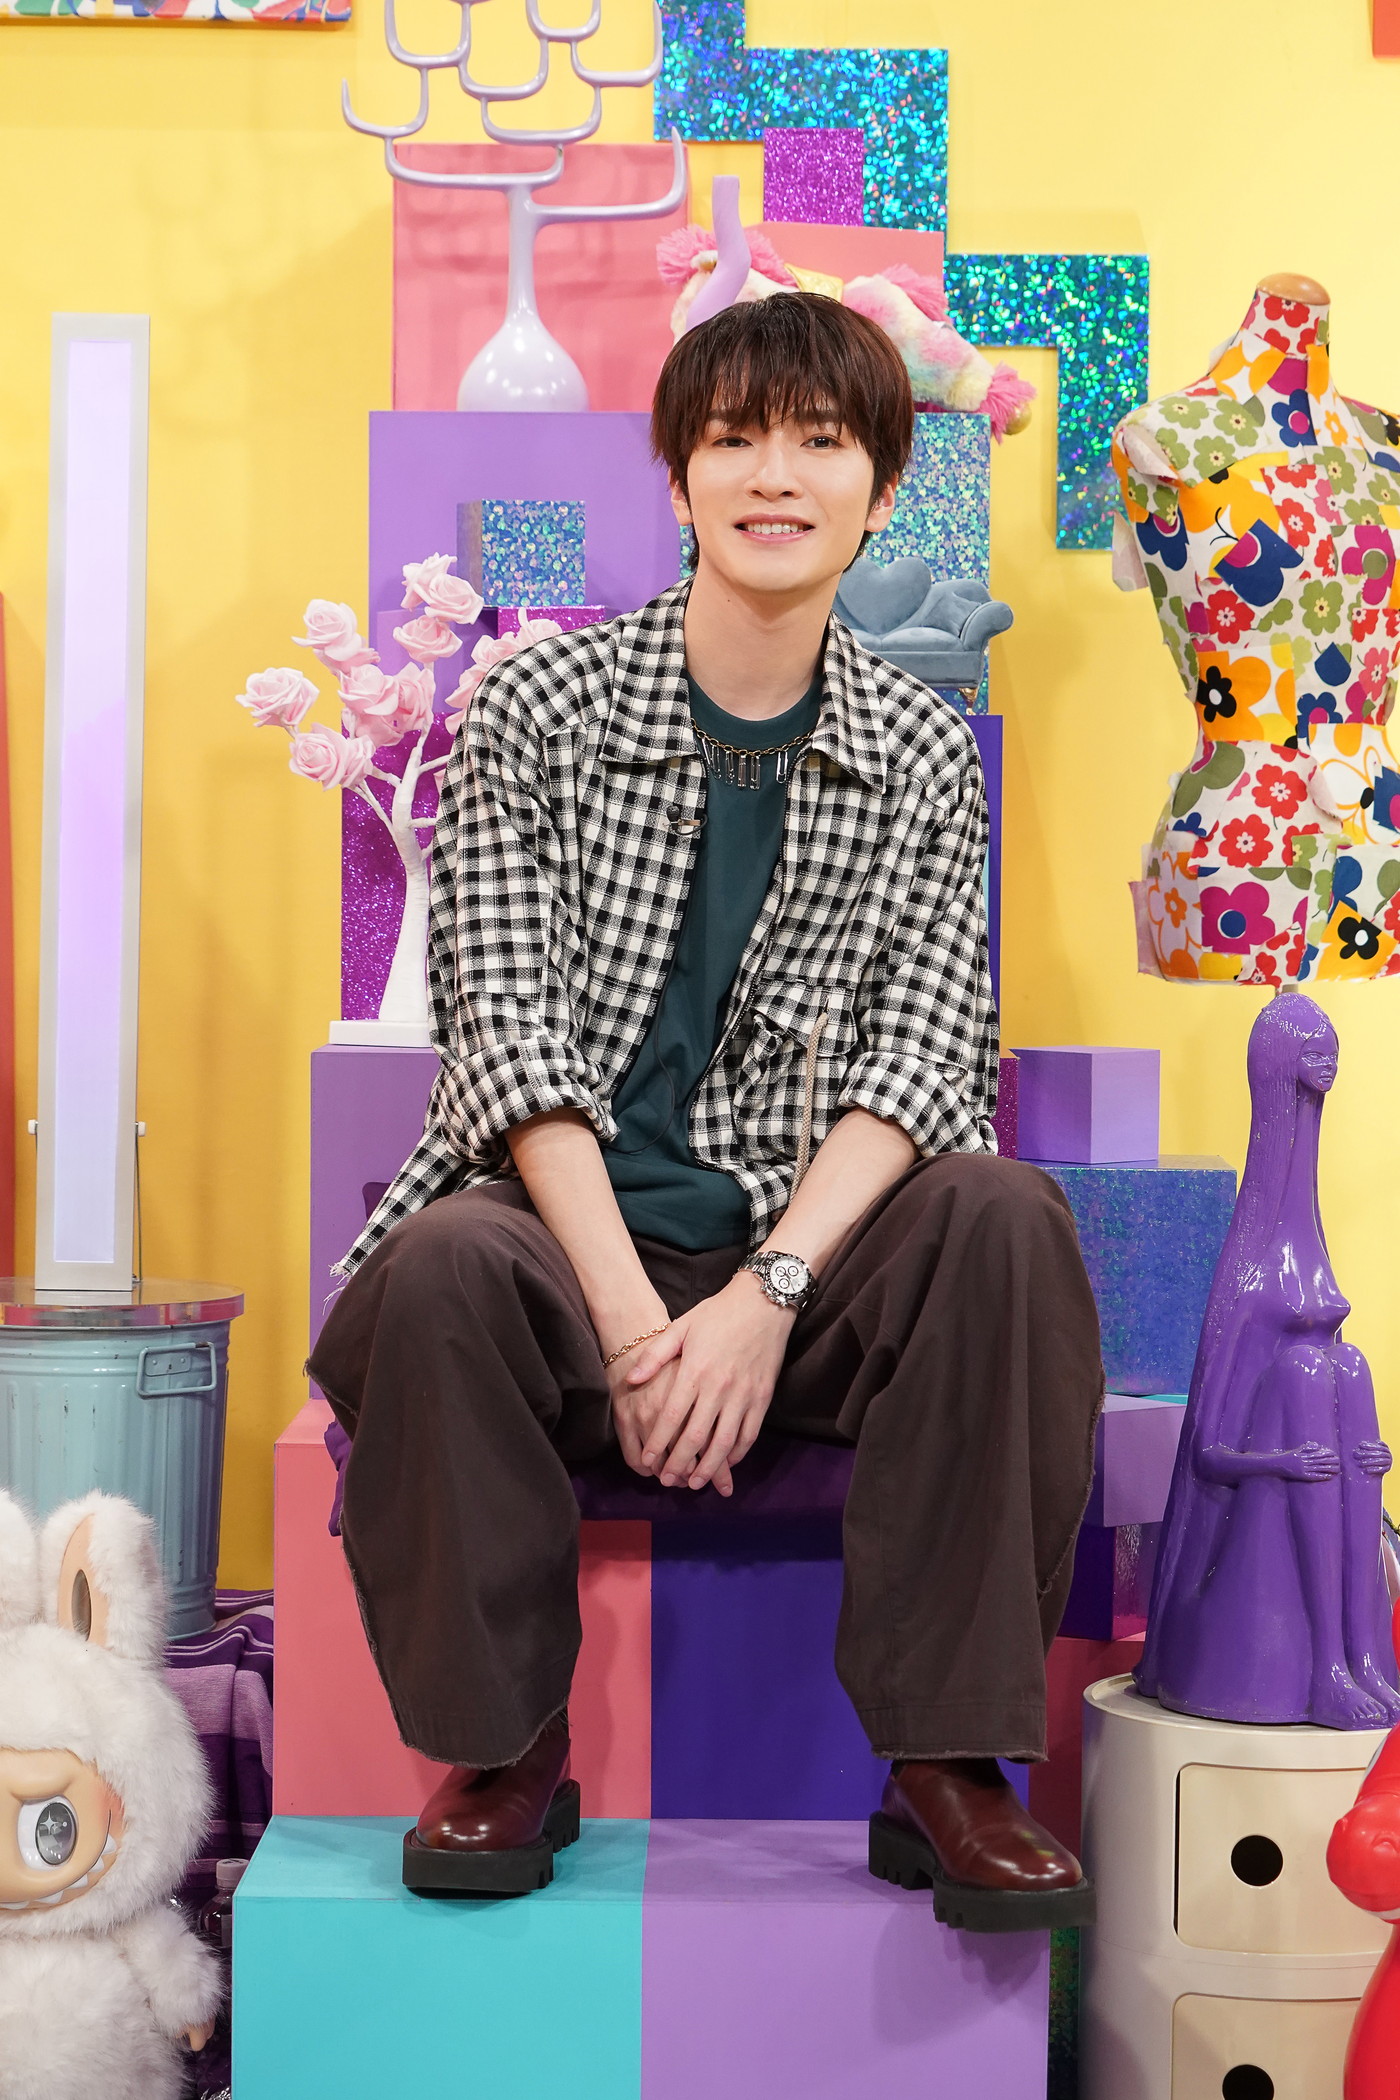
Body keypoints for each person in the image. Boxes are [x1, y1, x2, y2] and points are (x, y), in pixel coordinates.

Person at [309, 291, 1104, 1932]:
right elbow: (506, 1041)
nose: (775, 475)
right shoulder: (535, 708)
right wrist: (630, 1321)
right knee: (441, 1266)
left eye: (820, 442)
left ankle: (948, 1764)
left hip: (800, 1269)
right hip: (572, 1257)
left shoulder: (921, 751)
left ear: (882, 491)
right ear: (677, 478)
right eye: (735, 439)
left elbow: (927, 1064)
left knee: (1006, 1214)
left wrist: (764, 1301)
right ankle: (505, 1748)